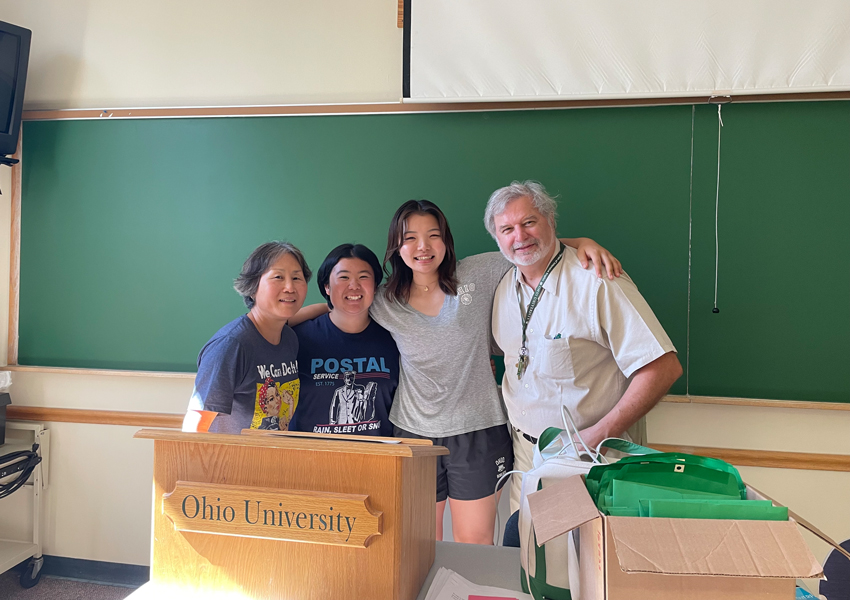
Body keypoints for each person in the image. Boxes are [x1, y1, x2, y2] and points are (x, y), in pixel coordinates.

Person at [365, 199, 621, 545]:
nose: (422, 247)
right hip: (413, 434)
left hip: (479, 430)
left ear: (446, 241)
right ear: (396, 245)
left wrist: (584, 242)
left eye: (433, 235)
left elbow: (531, 248)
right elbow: (338, 309)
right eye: (410, 238)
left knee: (475, 544)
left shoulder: (477, 273)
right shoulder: (383, 301)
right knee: (417, 542)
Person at [485, 181, 683, 513]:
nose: (519, 236)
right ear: (497, 238)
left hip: (593, 460)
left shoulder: (597, 281)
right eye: (507, 229)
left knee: (592, 559)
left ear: (551, 221)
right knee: (531, 557)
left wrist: (599, 434)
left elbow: (663, 367)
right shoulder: (503, 286)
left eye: (529, 222)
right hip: (525, 458)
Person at [182, 241, 310, 433]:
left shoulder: (289, 339)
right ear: (252, 287)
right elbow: (196, 423)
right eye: (278, 277)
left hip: (271, 459)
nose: (290, 287)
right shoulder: (231, 346)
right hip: (230, 461)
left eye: (297, 278)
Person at [289, 244, 399, 437]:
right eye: (344, 277)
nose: (354, 285)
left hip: (379, 461)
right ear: (327, 287)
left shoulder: (396, 339)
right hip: (309, 461)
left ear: (375, 287)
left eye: (364, 277)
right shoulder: (297, 339)